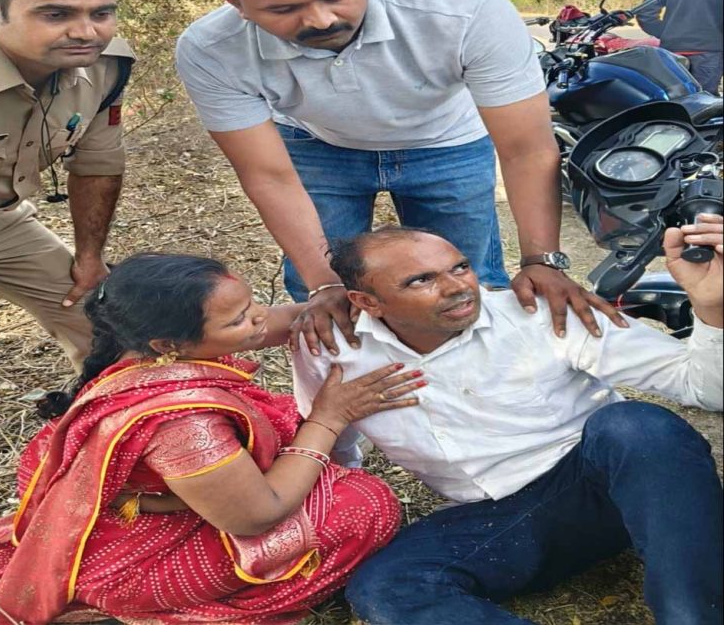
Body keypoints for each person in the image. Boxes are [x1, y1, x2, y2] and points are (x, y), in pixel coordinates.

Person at [176, 0, 624, 359]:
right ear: (233, 2)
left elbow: (525, 148)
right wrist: (324, 283)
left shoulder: (466, 11)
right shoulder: (211, 49)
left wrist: (542, 260)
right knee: (332, 303)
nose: (321, 19)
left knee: (465, 285)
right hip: (317, 146)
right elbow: (268, 175)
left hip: (448, 143)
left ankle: (479, 383)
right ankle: (359, 388)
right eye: (283, 10)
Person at [292, 217, 724, 624]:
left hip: (603, 488)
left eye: (460, 267)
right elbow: (336, 449)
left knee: (635, 426)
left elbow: (703, 388)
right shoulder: (333, 350)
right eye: (421, 280)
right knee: (386, 587)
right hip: (494, 520)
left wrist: (712, 307)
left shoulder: (541, 313)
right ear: (366, 302)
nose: (457, 287)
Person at [0, 252, 424, 624]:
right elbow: (257, 516)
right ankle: (188, 611)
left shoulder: (143, 349)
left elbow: (287, 321)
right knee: (365, 505)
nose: (260, 319)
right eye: (239, 319)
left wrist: (356, 306)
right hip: (132, 565)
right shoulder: (183, 424)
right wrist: (329, 417)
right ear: (168, 345)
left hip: (141, 516)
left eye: (252, 304)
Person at [0, 0, 135, 371]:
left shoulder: (106, 67)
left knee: (110, 330)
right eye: (56, 15)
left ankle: (115, 409)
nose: (86, 32)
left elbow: (97, 165)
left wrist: (89, 257)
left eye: (101, 13)